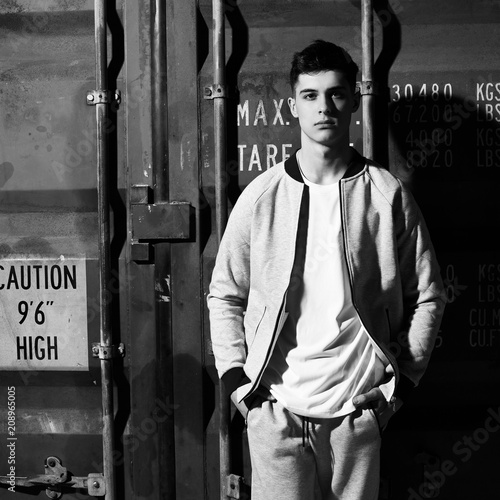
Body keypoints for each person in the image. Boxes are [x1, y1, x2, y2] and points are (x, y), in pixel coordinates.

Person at [207, 39, 446, 500]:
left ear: (353, 100)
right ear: (294, 105)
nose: (324, 107)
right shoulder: (262, 197)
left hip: (356, 415)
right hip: (275, 414)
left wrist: (399, 389)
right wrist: (241, 389)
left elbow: (429, 295)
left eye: (336, 93)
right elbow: (225, 294)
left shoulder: (386, 194)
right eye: (311, 96)